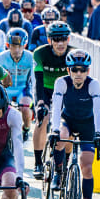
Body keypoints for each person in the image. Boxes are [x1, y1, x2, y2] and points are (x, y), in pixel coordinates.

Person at [48, 50, 100, 199]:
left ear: (88, 71)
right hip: (68, 120)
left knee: (86, 167)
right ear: (68, 70)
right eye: (74, 70)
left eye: (83, 70)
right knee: (61, 137)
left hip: (87, 125)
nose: (79, 74)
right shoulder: (61, 82)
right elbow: (56, 107)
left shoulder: (93, 84)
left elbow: (98, 110)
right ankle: (58, 173)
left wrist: (98, 133)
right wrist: (54, 129)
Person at [31, 21, 73, 179]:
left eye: (64, 39)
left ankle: (65, 161)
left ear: (68, 39)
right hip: (46, 90)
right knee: (42, 119)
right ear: (49, 40)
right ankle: (38, 162)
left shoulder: (73, 54)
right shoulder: (40, 53)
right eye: (56, 39)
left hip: (65, 91)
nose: (60, 43)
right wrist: (40, 103)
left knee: (70, 124)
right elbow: (38, 80)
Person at [0, 28, 34, 139]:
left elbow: (34, 78)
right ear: (8, 45)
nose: (16, 50)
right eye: (13, 46)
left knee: (25, 107)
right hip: (6, 88)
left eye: (20, 46)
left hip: (23, 88)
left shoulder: (31, 57)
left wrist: (34, 95)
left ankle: (26, 128)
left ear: (24, 45)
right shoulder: (0, 58)